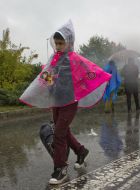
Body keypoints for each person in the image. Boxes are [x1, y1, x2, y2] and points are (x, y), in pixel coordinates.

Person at [19, 20, 111, 185]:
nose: (59, 46)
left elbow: (90, 72)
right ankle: (81, 151)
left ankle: (60, 169)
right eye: (57, 43)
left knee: (59, 133)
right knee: (64, 130)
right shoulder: (54, 59)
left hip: (69, 102)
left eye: (62, 43)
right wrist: (45, 89)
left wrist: (103, 77)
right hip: (56, 101)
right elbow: (47, 78)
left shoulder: (74, 59)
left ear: (69, 42)